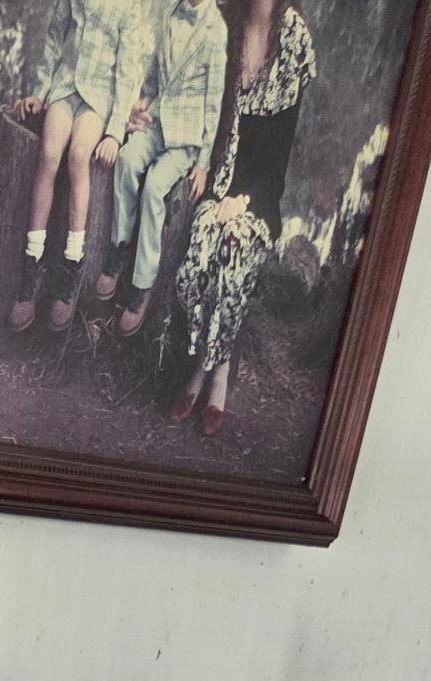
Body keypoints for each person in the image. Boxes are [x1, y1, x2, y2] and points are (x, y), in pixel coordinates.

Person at [172, 0, 317, 436]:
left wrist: (247, 199)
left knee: (235, 241)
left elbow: (279, 158)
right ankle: (217, 358)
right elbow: (190, 96)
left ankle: (208, 372)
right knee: (204, 235)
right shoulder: (222, 19)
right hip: (220, 176)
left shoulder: (293, 37)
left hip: (261, 193)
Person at [9, 0, 153, 333]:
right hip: (64, 89)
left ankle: (71, 267)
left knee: (79, 156)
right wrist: (39, 94)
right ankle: (32, 267)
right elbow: (54, 39)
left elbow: (128, 72)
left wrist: (115, 133)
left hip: (97, 100)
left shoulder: (130, 8)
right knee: (48, 155)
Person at [95, 0, 228, 337]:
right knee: (126, 160)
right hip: (156, 123)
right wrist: (140, 105)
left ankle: (142, 283)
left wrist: (203, 162)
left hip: (185, 139)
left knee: (155, 186)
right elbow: (155, 73)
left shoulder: (215, 30)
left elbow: (213, 104)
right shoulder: (170, 9)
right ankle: (119, 247)